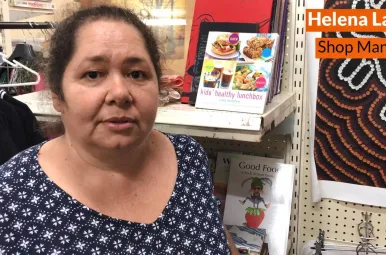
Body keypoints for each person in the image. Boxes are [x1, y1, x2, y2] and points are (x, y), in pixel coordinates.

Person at [0, 6, 238, 254]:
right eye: (93, 74)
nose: (120, 93)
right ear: (57, 95)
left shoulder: (189, 156)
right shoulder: (11, 195)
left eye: (136, 73)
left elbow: (216, 237)